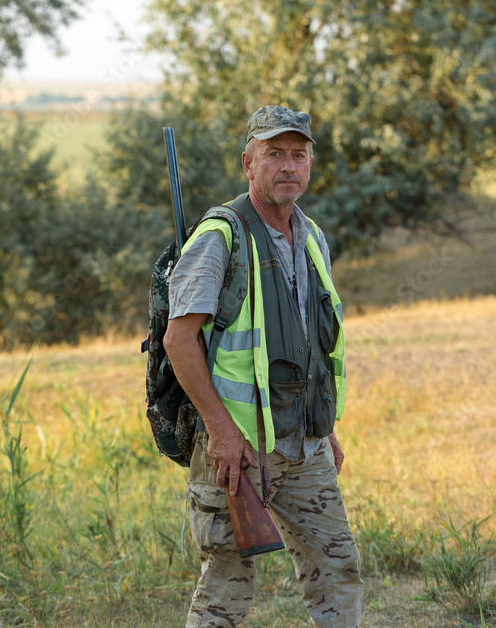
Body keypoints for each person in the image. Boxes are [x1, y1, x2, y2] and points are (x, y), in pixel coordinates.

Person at [163, 105, 364, 627]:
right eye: (274, 154)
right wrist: (222, 431)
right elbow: (179, 339)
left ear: (311, 165)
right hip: (237, 451)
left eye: (299, 155)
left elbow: (311, 343)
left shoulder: (312, 236)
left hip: (305, 445)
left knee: (339, 567)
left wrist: (326, 427)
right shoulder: (219, 238)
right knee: (225, 589)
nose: (288, 166)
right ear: (248, 163)